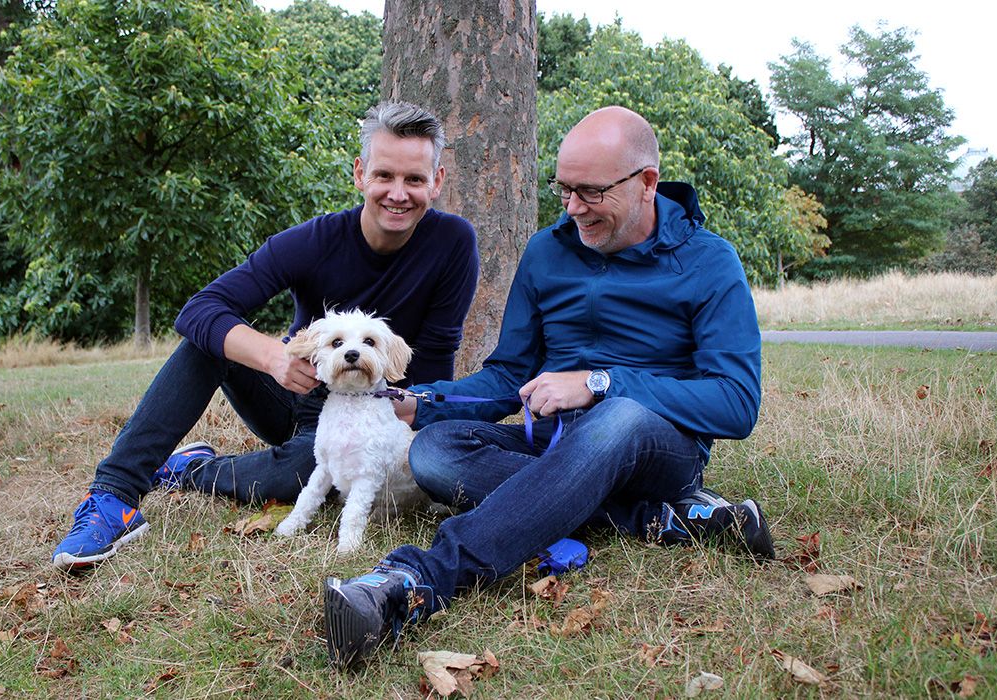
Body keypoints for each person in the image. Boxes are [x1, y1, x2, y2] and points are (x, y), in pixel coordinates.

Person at [320, 106, 775, 668]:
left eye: (590, 192)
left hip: (656, 446)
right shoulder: (547, 251)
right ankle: (657, 518)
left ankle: (414, 580)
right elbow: (511, 374)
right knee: (436, 452)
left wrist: (602, 383)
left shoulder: (709, 262)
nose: (574, 209)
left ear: (647, 184)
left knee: (620, 416)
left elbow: (736, 403)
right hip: (554, 442)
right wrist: (429, 402)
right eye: (563, 191)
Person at [51, 101, 480, 572]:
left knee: (305, 471)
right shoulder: (312, 241)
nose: (398, 194)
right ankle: (114, 496)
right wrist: (275, 358)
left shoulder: (454, 243)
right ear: (360, 174)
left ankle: (190, 469)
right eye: (384, 176)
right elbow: (200, 309)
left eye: (414, 180)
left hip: (377, 410)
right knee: (207, 340)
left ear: (436, 183)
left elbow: (437, 360)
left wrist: (406, 446)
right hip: (295, 392)